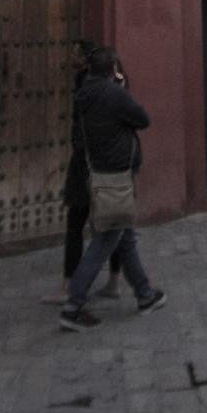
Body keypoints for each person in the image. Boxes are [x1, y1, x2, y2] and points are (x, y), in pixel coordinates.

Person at [58, 46, 167, 331]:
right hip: (118, 176)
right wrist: (120, 88)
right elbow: (143, 119)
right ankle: (73, 306)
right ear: (112, 71)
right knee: (106, 240)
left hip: (98, 175)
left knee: (125, 236)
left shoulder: (84, 95)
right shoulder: (114, 93)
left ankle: (144, 294)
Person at [42, 39, 121, 304]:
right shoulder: (112, 83)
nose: (71, 57)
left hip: (89, 165)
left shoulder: (90, 87)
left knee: (80, 224)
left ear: (88, 59)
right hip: (108, 165)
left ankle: (71, 289)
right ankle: (114, 281)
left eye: (75, 53)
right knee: (114, 225)